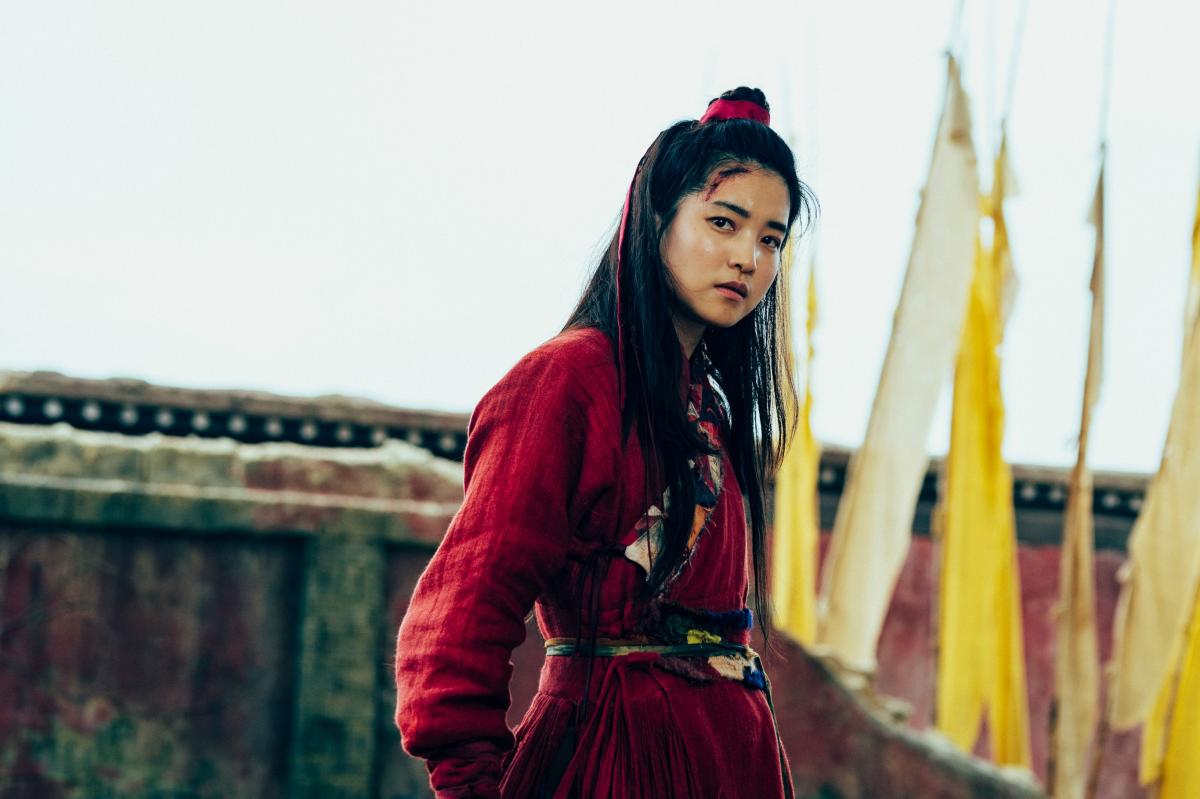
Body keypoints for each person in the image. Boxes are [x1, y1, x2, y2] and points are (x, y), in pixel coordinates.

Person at [395, 86, 817, 799]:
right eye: (723, 222)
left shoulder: (707, 408)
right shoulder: (566, 381)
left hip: (730, 765)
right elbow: (461, 615)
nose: (748, 257)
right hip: (613, 760)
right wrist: (471, 783)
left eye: (771, 239)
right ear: (656, 219)